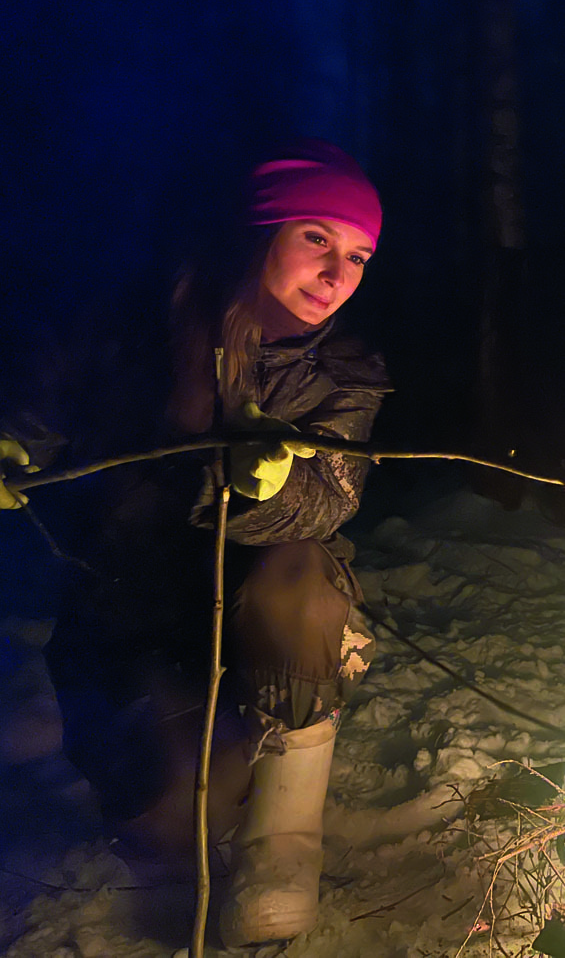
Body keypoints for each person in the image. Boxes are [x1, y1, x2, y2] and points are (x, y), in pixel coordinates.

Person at [0, 140, 391, 946]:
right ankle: (186, 777)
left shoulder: (342, 373)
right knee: (170, 817)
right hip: (128, 624)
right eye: (317, 237)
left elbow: (329, 502)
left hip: (258, 633)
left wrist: (269, 485)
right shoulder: (134, 329)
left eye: (358, 255)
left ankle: (286, 849)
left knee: (303, 575)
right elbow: (38, 403)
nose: (338, 273)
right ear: (258, 231)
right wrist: (10, 446)